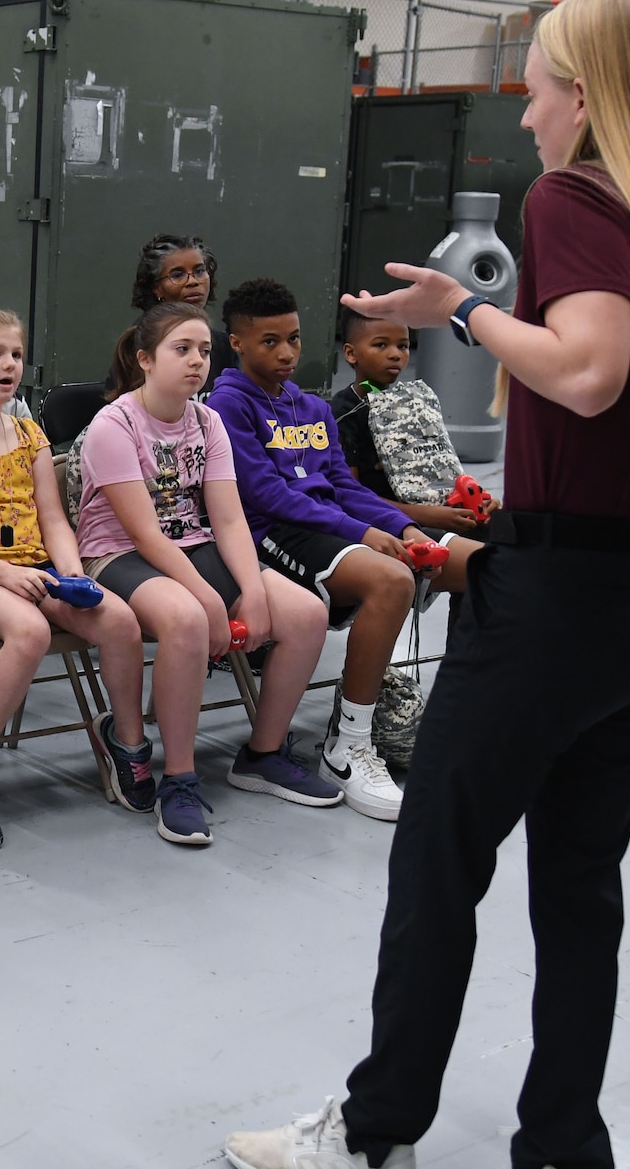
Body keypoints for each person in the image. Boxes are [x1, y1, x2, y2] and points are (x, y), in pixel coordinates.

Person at [225, 0, 630, 1169]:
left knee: (437, 860)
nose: (526, 113)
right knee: (579, 877)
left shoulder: (579, 197)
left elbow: (583, 375)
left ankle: (374, 1128)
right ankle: (559, 1142)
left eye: (534, 85)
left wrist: (463, 309)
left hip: (554, 612)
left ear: (581, 94)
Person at [207, 278, 477, 823]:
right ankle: (348, 744)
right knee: (392, 581)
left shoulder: (310, 407)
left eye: (295, 339)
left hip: (333, 523)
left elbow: (344, 486)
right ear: (236, 342)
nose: (286, 353)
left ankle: (457, 718)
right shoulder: (226, 406)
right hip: (276, 534)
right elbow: (267, 495)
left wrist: (403, 527)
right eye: (269, 342)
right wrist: (362, 534)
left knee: (483, 566)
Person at [76, 305, 338, 846]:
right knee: (189, 620)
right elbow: (145, 535)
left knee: (308, 612)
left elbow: (227, 517)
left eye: (204, 351)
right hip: (119, 553)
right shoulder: (113, 424)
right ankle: (179, 779)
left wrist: (251, 590)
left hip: (194, 544)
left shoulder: (206, 419)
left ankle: (261, 755)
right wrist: (211, 599)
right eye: (182, 349)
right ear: (145, 360)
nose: (197, 361)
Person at [0, 309, 145, 852]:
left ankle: (126, 744)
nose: (9, 365)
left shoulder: (29, 434)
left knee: (119, 620)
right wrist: (4, 574)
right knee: (30, 633)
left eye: (15, 355)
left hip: (37, 568)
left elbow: (53, 519)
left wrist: (68, 571)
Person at [331, 312, 498, 538]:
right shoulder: (344, 412)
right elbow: (351, 496)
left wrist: (478, 500)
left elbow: (442, 468)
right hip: (389, 524)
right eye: (381, 345)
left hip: (437, 512)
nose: (395, 355)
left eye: (403, 346)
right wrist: (426, 515)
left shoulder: (415, 399)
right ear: (351, 353)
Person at [128, 233, 236, 381]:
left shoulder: (222, 344)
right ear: (156, 288)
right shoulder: (139, 340)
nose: (193, 281)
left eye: (200, 271)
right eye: (178, 275)